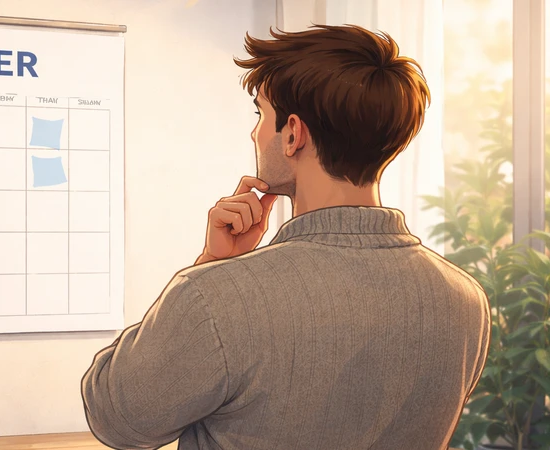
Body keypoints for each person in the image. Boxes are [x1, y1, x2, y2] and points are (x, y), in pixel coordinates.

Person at [81, 24, 491, 450]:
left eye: (260, 114)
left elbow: (118, 419)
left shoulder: (217, 297)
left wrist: (210, 266)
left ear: (293, 133)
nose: (255, 133)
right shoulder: (465, 300)